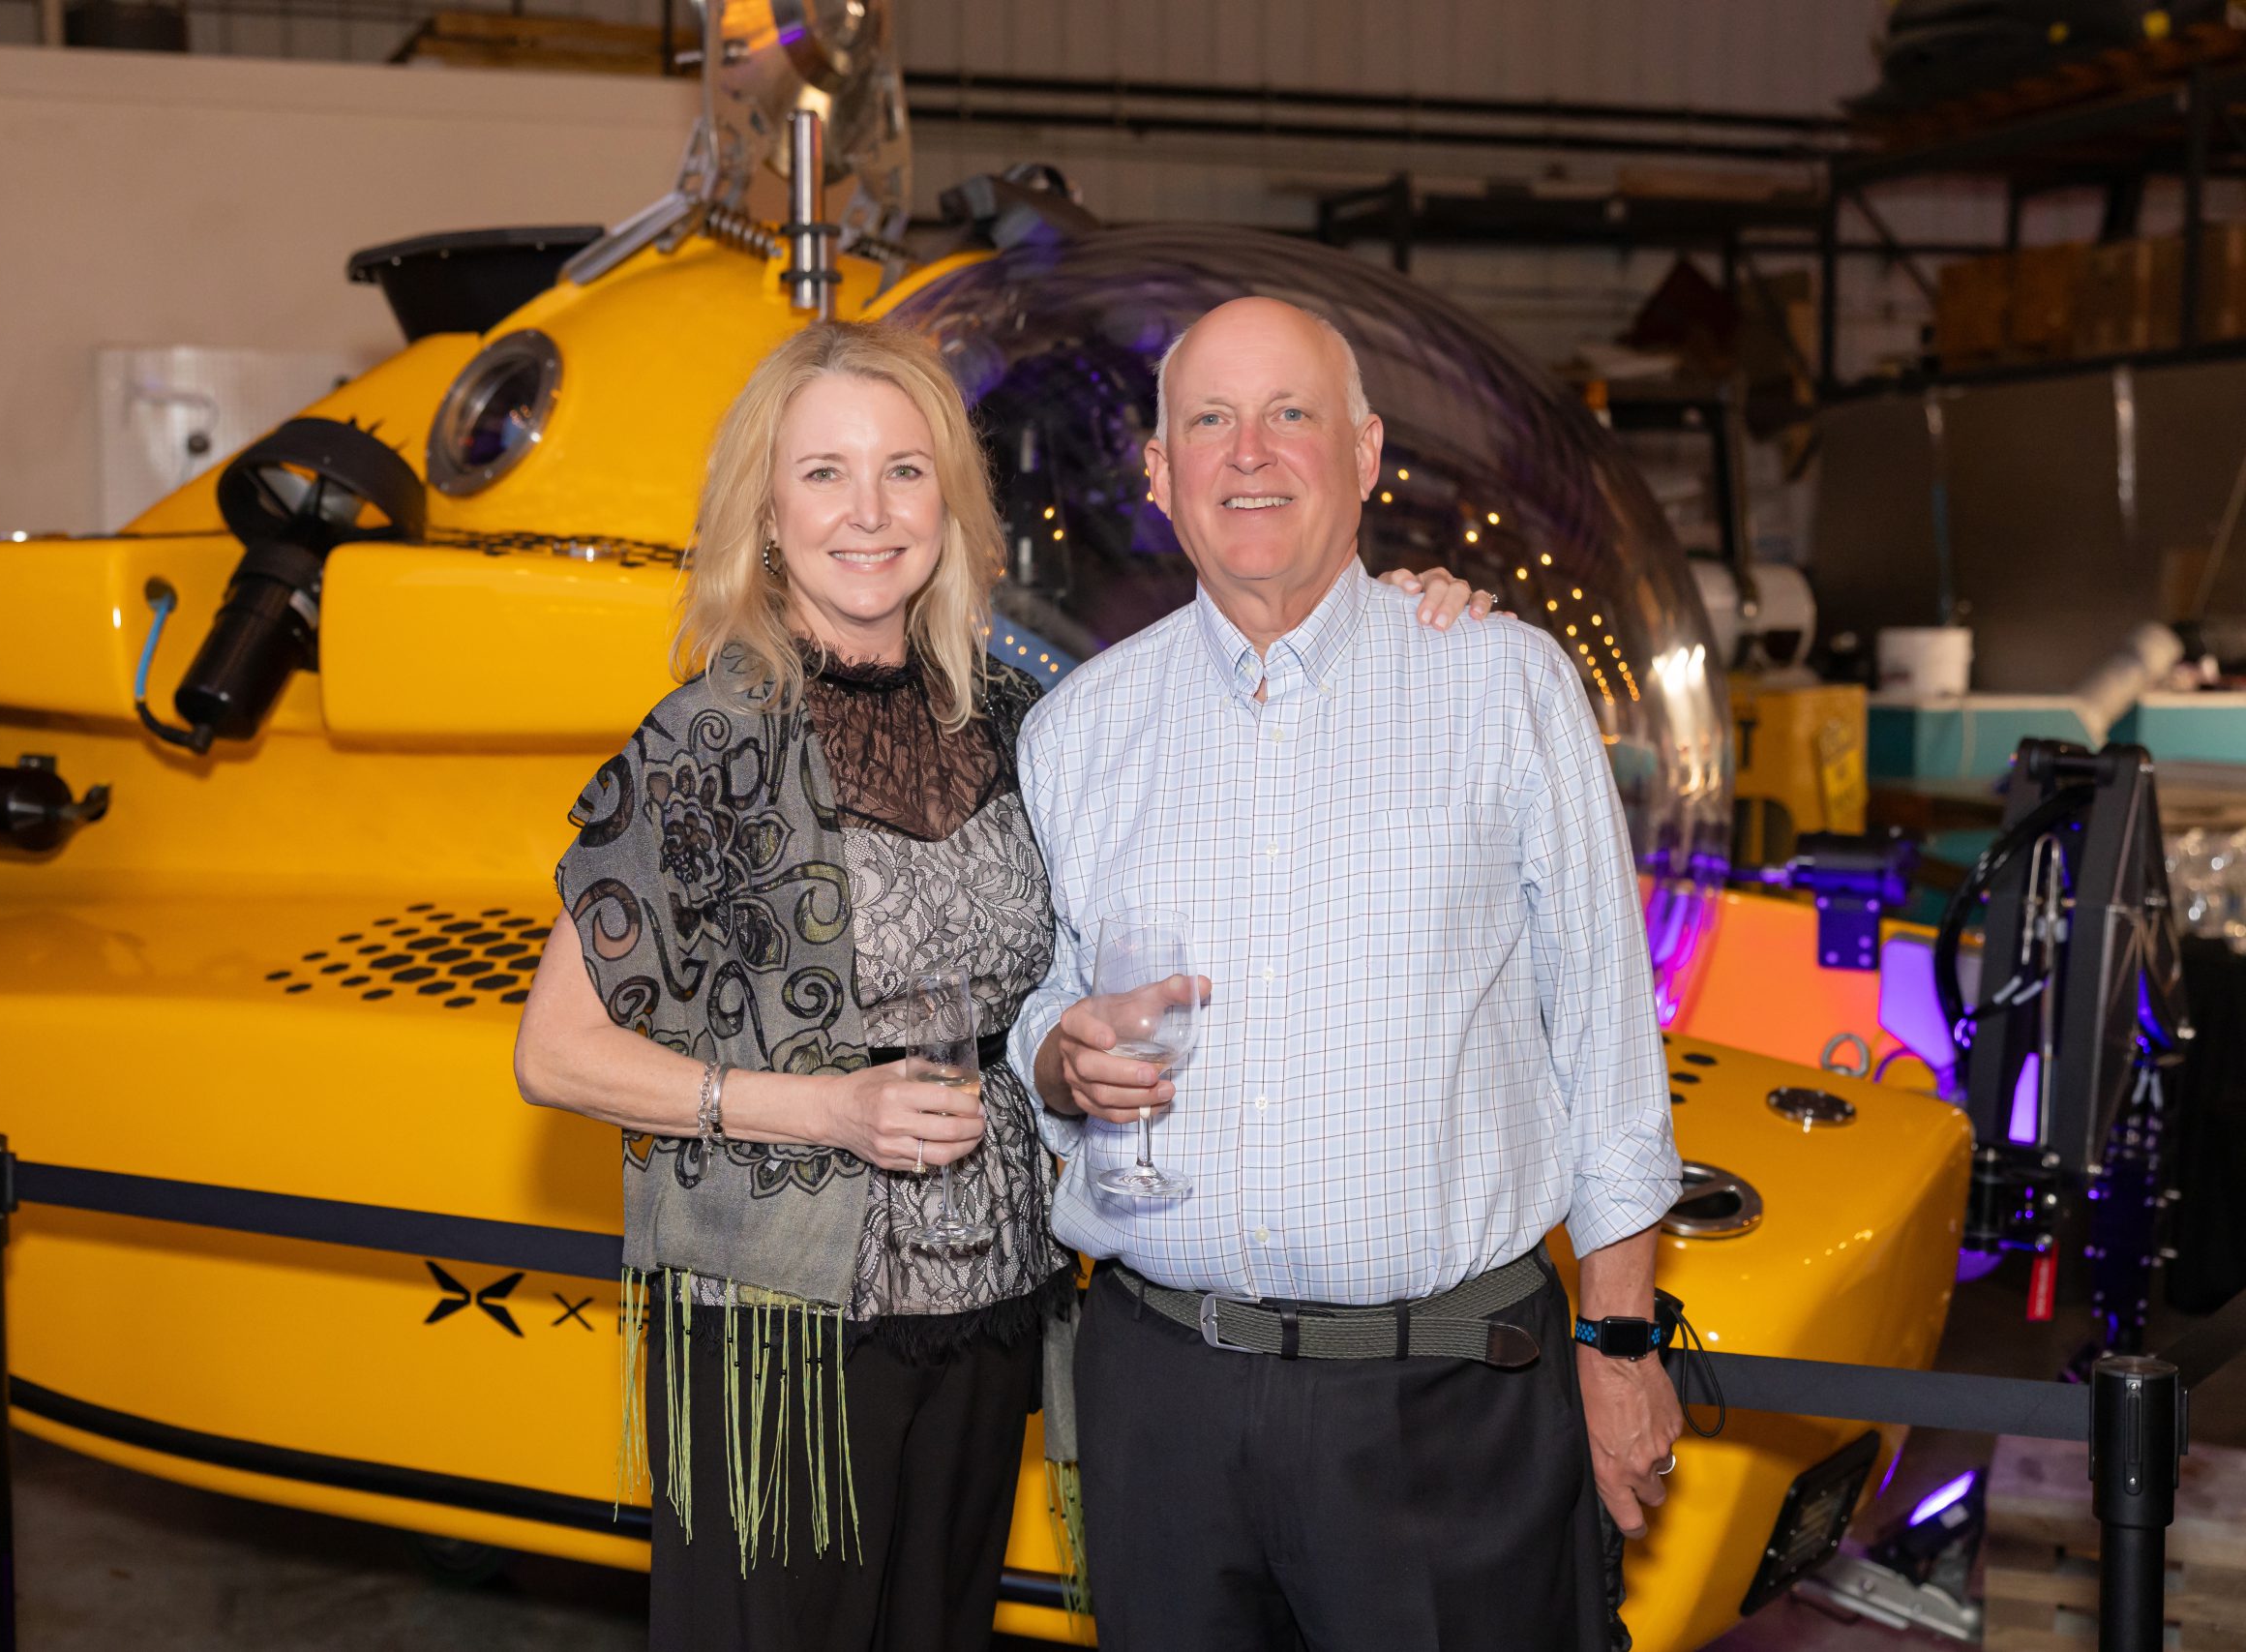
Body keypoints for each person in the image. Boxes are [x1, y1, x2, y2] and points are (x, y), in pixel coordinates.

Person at [512, 317, 1492, 1652]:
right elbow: (556, 1051)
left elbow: (1226, 693)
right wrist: (828, 1111)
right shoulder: (709, 744)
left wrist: (1396, 608)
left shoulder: (1015, 723)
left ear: (951, 505)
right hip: (786, 1326)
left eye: (905, 471)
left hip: (988, 1305)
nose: (869, 512)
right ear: (767, 513)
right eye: (824, 474)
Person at [1010, 296, 1685, 1652]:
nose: (1250, 452)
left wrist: (1620, 1347)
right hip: (1161, 1404)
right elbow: (1045, 998)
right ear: (1160, 474)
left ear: (1366, 453)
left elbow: (1608, 1040)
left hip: (1443, 1405)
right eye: (1210, 420)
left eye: (1291, 414)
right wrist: (1056, 1055)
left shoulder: (1502, 686)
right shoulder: (1079, 730)